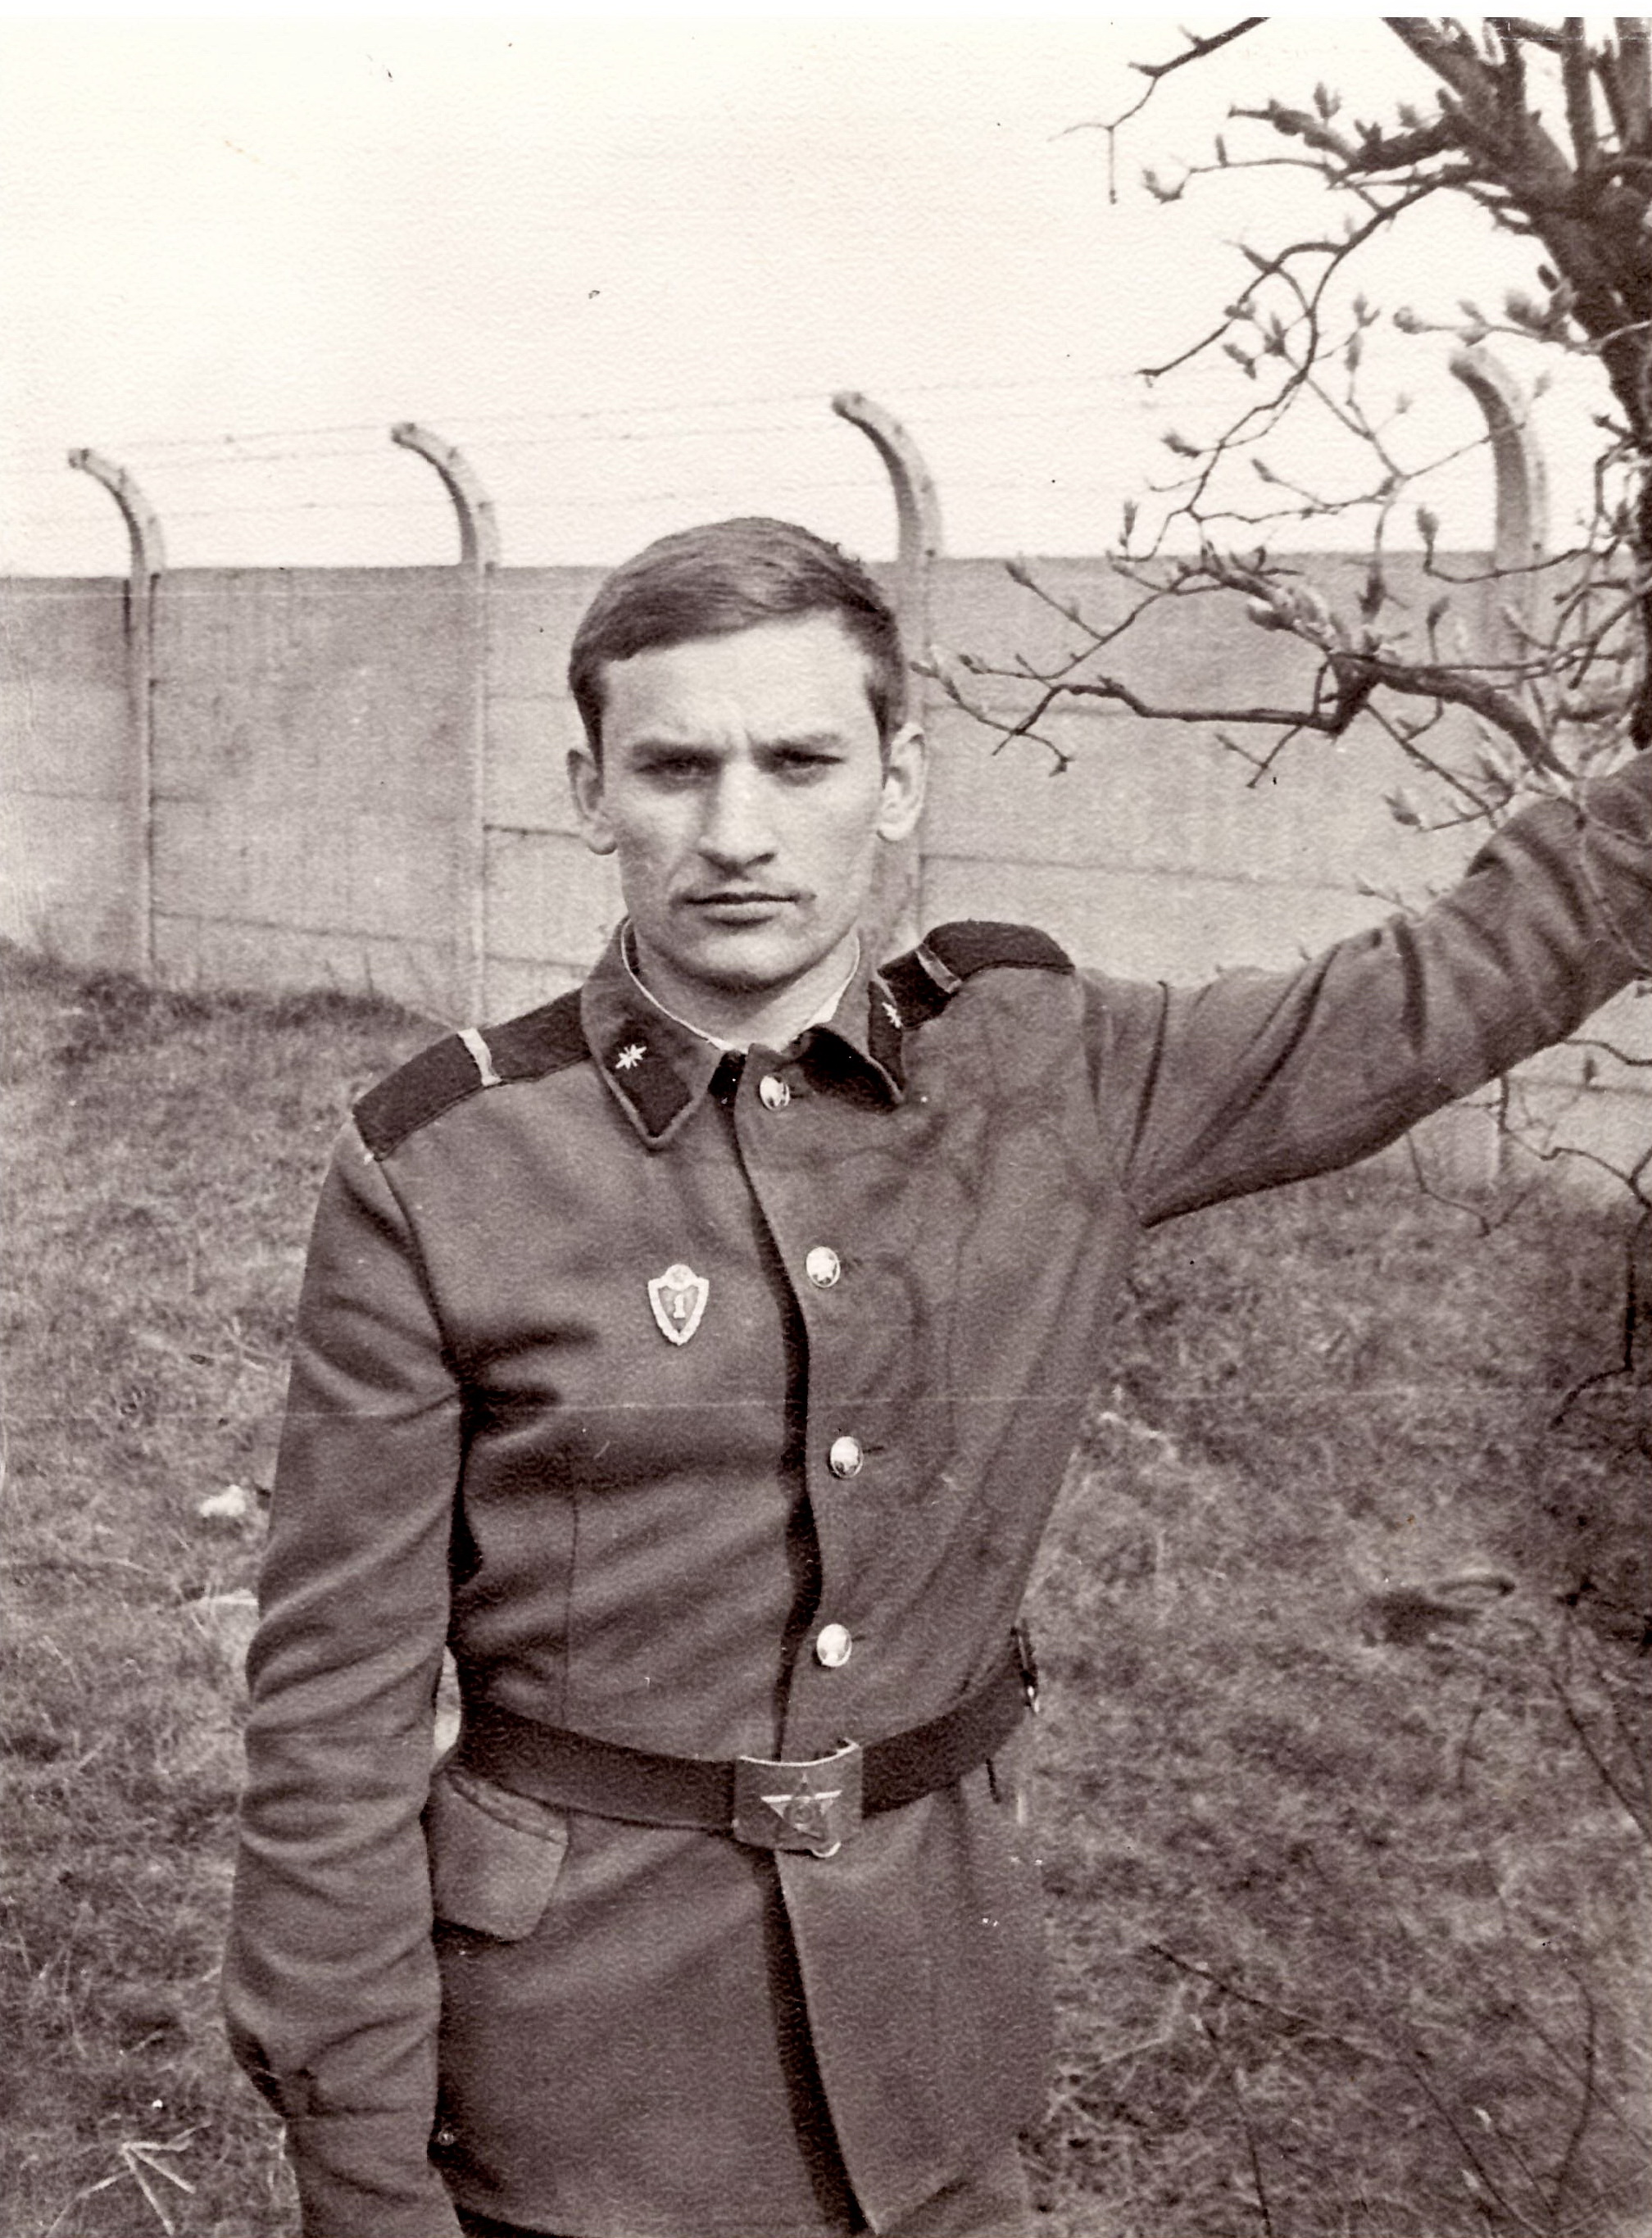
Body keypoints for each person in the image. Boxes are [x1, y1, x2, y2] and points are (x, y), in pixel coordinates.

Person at [225, 516, 1651, 2238]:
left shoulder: (1051, 1073)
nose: (736, 832)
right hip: (585, 2091)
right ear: (589, 790)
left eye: (801, 760)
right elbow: (333, 1721)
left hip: (930, 2065)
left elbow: (1428, 995)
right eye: (674, 767)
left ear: (898, 779)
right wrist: (365, 2178)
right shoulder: (447, 1165)